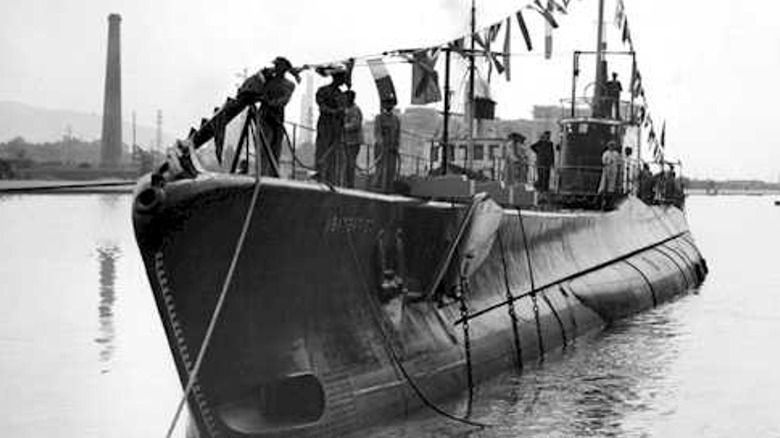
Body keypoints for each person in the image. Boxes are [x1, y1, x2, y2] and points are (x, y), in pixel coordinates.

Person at [255, 57, 297, 177]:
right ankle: (261, 174)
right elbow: (256, 83)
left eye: (278, 66)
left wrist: (270, 102)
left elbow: (284, 100)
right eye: (275, 66)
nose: (276, 68)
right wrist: (264, 72)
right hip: (265, 117)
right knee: (263, 148)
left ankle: (272, 175)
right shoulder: (267, 80)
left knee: (275, 149)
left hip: (277, 118)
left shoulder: (289, 84)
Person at [315, 70, 347, 184]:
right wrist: (333, 111)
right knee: (322, 148)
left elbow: (343, 110)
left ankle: (330, 178)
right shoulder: (323, 90)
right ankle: (319, 174)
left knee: (333, 153)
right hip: (325, 123)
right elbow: (321, 105)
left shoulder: (342, 95)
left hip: (336, 126)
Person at [373, 98, 401, 192]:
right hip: (381, 149)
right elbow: (377, 133)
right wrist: (382, 144)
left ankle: (388, 189)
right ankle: (378, 188)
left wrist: (396, 146)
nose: (389, 106)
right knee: (380, 169)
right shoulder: (379, 118)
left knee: (390, 170)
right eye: (387, 104)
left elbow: (397, 134)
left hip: (392, 149)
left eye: (391, 104)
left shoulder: (396, 119)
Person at [342, 90, 363, 188]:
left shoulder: (355, 110)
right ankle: (344, 183)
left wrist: (342, 127)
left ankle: (349, 184)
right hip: (345, 141)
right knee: (345, 163)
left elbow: (355, 124)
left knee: (350, 164)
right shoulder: (344, 109)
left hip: (353, 142)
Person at [598, 141, 623, 208]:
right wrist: (608, 163)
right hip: (607, 170)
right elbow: (603, 162)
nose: (611, 147)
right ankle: (603, 202)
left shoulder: (616, 154)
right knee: (604, 185)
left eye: (612, 146)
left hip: (614, 171)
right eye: (610, 145)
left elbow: (619, 163)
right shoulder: (606, 153)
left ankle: (610, 203)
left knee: (612, 187)